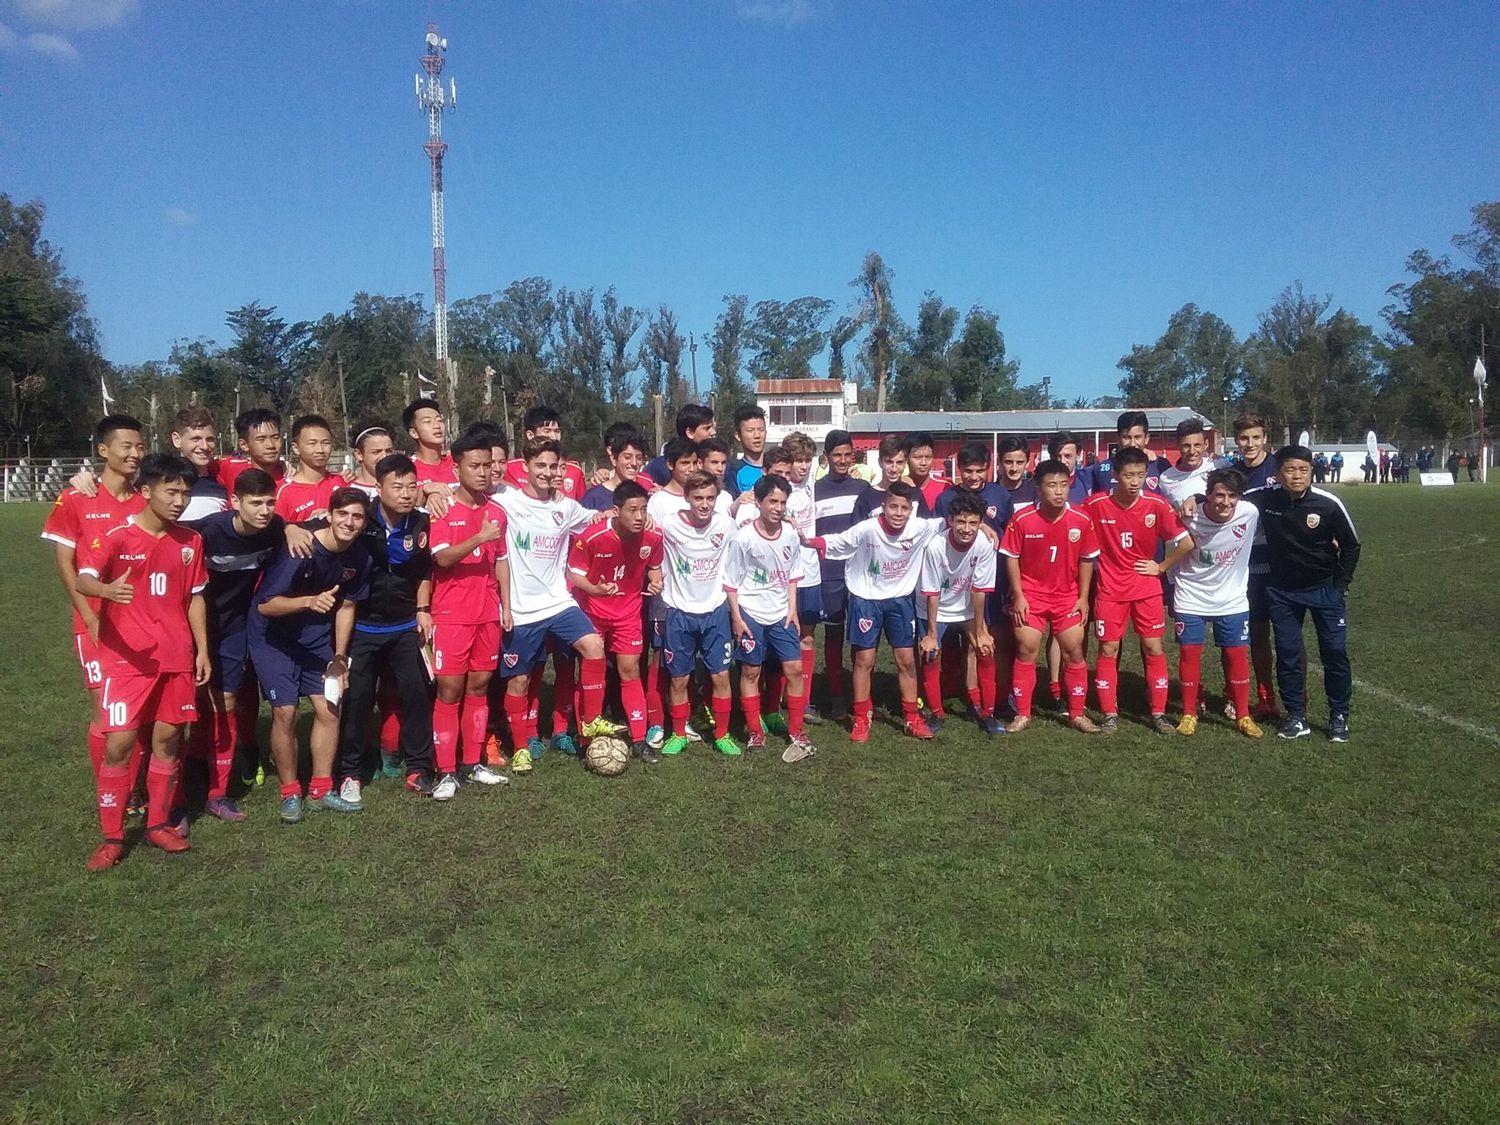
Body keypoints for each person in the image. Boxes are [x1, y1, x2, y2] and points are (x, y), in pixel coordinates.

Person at [75, 453, 211, 871]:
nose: (179, 500)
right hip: (126, 659)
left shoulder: (191, 542)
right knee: (119, 744)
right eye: (171, 491)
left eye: (185, 492)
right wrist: (105, 589)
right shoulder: (116, 536)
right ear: (147, 491)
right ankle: (113, 837)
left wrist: (201, 648)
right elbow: (83, 577)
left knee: (168, 741)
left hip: (176, 657)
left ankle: (157, 825)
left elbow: (195, 598)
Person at [248, 487, 373, 823]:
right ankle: (290, 793)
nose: (349, 522)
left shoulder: (360, 558)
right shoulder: (300, 548)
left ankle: (321, 789)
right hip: (272, 636)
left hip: (316, 638)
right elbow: (266, 604)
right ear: (329, 515)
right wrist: (308, 602)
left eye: (357, 516)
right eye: (342, 514)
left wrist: (339, 656)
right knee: (286, 712)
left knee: (330, 706)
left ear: (364, 523)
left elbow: (347, 606)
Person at [493, 439, 616, 772]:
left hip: (558, 602)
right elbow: (464, 485)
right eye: (541, 466)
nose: (548, 473)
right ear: (527, 467)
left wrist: (620, 515)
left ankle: (590, 721)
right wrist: (434, 491)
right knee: (518, 682)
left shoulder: (568, 507)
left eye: (554, 467)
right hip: (520, 608)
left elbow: (600, 520)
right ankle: (519, 746)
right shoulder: (507, 499)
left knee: (593, 647)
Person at [42, 414, 148, 781]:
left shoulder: (145, 503)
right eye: (126, 446)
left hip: (139, 625)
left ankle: (134, 787)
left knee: (138, 713)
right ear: (104, 450)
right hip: (94, 620)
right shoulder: (75, 498)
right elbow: (64, 563)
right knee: (105, 711)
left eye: (139, 446)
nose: (135, 454)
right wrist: (88, 616)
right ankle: (113, 788)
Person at [808, 482, 953, 743]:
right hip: (866, 599)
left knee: (906, 660)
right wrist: (805, 540)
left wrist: (986, 527)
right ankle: (861, 718)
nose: (898, 513)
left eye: (904, 508)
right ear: (883, 508)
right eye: (893, 507)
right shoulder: (867, 529)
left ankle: (911, 718)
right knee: (864, 660)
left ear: (912, 510)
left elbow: (949, 521)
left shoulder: (919, 527)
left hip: (899, 601)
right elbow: (838, 542)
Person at [332, 453, 440, 805]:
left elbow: (425, 569)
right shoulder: (361, 519)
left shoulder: (421, 522)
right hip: (363, 626)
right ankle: (350, 772)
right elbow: (324, 530)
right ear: (379, 487)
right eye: (398, 487)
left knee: (417, 695)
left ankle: (419, 768)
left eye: (412, 486)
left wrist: (423, 608)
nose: (406, 494)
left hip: (406, 624)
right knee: (357, 700)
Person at [1246, 446, 1360, 742]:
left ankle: (1339, 717)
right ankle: (1296, 716)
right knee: (1288, 655)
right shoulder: (1266, 497)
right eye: (1289, 470)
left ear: (1312, 471)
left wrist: (1341, 584)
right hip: (1282, 592)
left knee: (1334, 654)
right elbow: (1230, 496)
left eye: (1303, 470)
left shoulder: (1328, 503)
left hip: (1324, 590)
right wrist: (1196, 499)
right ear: (1278, 473)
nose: (1296, 476)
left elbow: (1351, 545)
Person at [192, 468, 287, 822]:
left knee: (226, 701)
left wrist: (290, 526)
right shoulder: (208, 531)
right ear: (235, 503)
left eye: (270, 502)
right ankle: (184, 773)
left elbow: (295, 530)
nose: (264, 510)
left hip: (233, 627)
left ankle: (217, 793)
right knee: (184, 705)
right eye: (256, 503)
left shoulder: (275, 527)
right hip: (191, 622)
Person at [1083, 447, 1188, 736]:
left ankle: (1158, 713)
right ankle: (1109, 714)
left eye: (1140, 475)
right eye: (1128, 475)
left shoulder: (1155, 504)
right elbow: (1073, 526)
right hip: (1110, 590)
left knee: (1153, 648)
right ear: (1115, 475)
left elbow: (1187, 542)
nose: (1134, 481)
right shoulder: (1096, 504)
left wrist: (1162, 566)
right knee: (1108, 649)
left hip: (1147, 589)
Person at [1152, 468, 1264, 738]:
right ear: (1209, 495)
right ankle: (1189, 713)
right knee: (1190, 654)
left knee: (1236, 655)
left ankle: (1243, 715)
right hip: (1191, 596)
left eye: (1232, 496)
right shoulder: (1189, 516)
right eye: (1220, 495)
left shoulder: (1250, 513)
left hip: (1233, 599)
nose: (1226, 502)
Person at [428, 435, 512, 798]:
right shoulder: (443, 509)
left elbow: (502, 562)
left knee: (479, 688)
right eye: (474, 466)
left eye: (488, 465)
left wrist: (506, 607)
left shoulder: (497, 512)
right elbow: (442, 559)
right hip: (451, 615)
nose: (484, 473)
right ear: (457, 467)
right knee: (450, 690)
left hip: (487, 615)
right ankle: (445, 770)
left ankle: (472, 763)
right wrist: (479, 537)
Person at [1000, 459, 1101, 734]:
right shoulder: (1022, 519)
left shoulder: (1081, 519)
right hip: (1031, 596)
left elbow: (1086, 560)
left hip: (1066, 596)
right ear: (1038, 488)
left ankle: (1077, 713)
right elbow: (1011, 558)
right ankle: (1022, 713)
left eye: (1063, 485)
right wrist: (1019, 595)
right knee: (1026, 649)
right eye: (1051, 485)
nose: (1058, 491)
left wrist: (1082, 598)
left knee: (1074, 651)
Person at [567, 479, 664, 762]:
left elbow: (655, 569)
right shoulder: (593, 536)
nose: (639, 517)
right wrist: (595, 589)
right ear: (615, 510)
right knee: (590, 671)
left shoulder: (653, 537)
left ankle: (638, 739)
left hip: (628, 613)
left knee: (630, 671)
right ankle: (587, 737)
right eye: (632, 510)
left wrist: (656, 582)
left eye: (643, 510)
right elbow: (574, 574)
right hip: (592, 612)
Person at [724, 474, 815, 761]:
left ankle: (797, 731)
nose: (778, 507)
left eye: (783, 502)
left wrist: (792, 609)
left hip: (781, 613)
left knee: (794, 668)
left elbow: (792, 576)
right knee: (751, 671)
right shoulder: (743, 538)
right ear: (759, 502)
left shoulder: (789, 534)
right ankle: (755, 733)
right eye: (772, 501)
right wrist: (737, 618)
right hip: (751, 612)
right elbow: (731, 582)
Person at [657, 471, 741, 757]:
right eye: (698, 498)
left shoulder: (725, 524)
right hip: (679, 613)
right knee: (679, 679)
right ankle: (678, 733)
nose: (704, 505)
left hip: (715, 612)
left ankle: (722, 734)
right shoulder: (668, 525)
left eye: (710, 498)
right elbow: (639, 534)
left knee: (720, 676)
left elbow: (749, 543)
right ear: (686, 498)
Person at [917, 489, 1002, 735]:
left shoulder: (985, 545)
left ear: (980, 522)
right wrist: (931, 634)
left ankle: (987, 713)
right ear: (951, 520)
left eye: (973, 522)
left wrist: (980, 631)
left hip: (965, 606)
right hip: (934, 607)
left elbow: (979, 591)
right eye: (961, 522)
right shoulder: (935, 546)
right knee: (931, 653)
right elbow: (932, 593)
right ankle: (936, 713)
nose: (967, 528)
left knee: (985, 650)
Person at [812, 429, 872, 721]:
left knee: (862, 637)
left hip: (860, 574)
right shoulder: (814, 491)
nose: (843, 460)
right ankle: (836, 694)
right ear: (826, 457)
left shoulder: (864, 488)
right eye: (837, 455)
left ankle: (863, 694)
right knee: (834, 634)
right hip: (830, 573)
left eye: (848, 455)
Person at [1227, 413, 1280, 719]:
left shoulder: (1279, 468)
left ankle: (1297, 700)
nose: (1249, 444)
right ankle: (1265, 697)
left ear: (1265, 439)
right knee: (1256, 635)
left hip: (1282, 564)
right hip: (1248, 567)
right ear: (1237, 441)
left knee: (1288, 636)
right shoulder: (1233, 474)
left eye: (1255, 438)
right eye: (1244, 438)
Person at [780, 433, 824, 725]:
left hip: (811, 572)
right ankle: (778, 697)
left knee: (807, 636)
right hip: (784, 575)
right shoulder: (779, 488)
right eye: (798, 460)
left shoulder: (813, 485)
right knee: (784, 636)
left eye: (808, 460)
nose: (803, 466)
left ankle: (803, 700)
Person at [504, 405, 587, 499]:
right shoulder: (510, 469)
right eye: (547, 431)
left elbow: (583, 507)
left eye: (557, 431)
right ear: (530, 435)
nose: (553, 437)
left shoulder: (575, 471)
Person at [1087, 411, 1172, 496]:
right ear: (1118, 438)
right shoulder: (1100, 470)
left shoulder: (1161, 466)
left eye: (1137, 437)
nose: (1132, 444)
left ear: (1146, 438)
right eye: (1126, 437)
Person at [274, 414, 339, 522]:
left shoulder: (343, 483)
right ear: (296, 448)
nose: (320, 450)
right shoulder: (283, 491)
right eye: (312, 443)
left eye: (326, 443)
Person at [853, 434, 931, 521]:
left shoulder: (916, 495)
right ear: (880, 462)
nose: (894, 469)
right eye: (889, 462)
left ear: (905, 463)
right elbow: (857, 533)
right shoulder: (866, 499)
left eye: (899, 462)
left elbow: (927, 529)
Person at [581, 427, 653, 511]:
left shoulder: (646, 496)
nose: (634, 463)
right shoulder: (593, 497)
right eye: (627, 457)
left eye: (639, 458)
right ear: (614, 459)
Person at [216, 408, 287, 492]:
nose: (270, 445)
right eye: (261, 439)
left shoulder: (290, 479)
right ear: (244, 445)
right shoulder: (230, 469)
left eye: (275, 437)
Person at [643, 404, 715, 485]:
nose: (713, 432)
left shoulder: (719, 463)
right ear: (690, 432)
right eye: (707, 428)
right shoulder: (658, 467)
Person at [725, 404, 768, 497]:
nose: (757, 435)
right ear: (738, 436)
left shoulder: (779, 466)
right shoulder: (732, 472)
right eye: (750, 430)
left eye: (761, 430)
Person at [347, 425, 396, 498]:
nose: (384, 456)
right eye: (376, 452)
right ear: (359, 455)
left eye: (388, 451)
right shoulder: (348, 491)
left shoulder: (401, 490)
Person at [905, 431, 949, 511]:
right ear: (906, 458)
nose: (924, 463)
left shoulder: (946, 487)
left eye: (928, 457)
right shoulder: (898, 487)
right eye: (917, 457)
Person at [997, 435, 1038, 508]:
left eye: (1019, 462)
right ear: (999, 462)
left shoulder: (1037, 492)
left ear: (1027, 463)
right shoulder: (990, 494)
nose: (1014, 468)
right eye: (1009, 462)